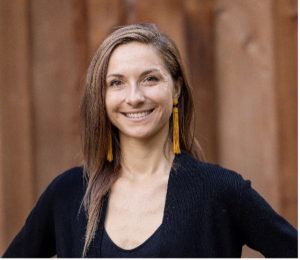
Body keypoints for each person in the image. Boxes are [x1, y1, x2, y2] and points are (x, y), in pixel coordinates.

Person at [3, 23, 297, 258]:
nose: (134, 97)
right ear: (101, 97)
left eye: (150, 79)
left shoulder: (220, 191)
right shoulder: (68, 194)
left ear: (176, 89)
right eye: (116, 83)